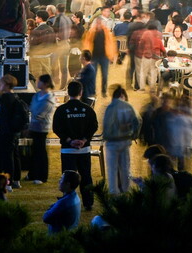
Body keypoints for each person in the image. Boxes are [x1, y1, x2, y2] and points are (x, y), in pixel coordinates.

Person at [52, 80, 99, 209]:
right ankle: (88, 203)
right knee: (86, 177)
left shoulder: (61, 110)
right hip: (84, 150)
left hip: (68, 150)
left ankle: (67, 202)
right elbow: (94, 126)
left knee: (67, 178)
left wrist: (69, 140)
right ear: (81, 92)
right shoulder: (88, 110)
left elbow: (56, 128)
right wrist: (84, 140)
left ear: (68, 92)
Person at [100, 85, 139, 194]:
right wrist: (134, 134)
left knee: (112, 169)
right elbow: (138, 121)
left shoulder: (111, 107)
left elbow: (107, 125)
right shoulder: (129, 107)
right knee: (125, 167)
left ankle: (114, 192)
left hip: (112, 142)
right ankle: (126, 189)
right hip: (125, 141)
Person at [27, 75, 56, 185]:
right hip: (34, 126)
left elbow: (40, 114)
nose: (37, 83)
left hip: (42, 127)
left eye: (39, 81)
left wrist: (32, 121)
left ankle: (42, 176)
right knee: (34, 151)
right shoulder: (37, 95)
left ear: (45, 84)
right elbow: (32, 108)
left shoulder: (49, 99)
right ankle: (33, 173)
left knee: (41, 152)